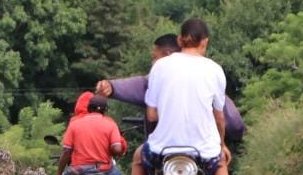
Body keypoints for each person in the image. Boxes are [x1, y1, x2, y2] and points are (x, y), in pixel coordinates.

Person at [130, 18, 231, 175]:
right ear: (205, 42)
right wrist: (222, 144)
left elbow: (151, 113)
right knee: (220, 165)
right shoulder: (215, 69)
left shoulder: (161, 67)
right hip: (203, 151)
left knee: (136, 160)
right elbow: (219, 117)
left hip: (163, 149)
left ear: (179, 40)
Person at [95, 33, 245, 142]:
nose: (153, 63)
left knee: (139, 161)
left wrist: (111, 87)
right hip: (202, 148)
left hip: (164, 147)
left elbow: (139, 86)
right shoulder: (205, 78)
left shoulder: (156, 81)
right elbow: (233, 121)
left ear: (167, 55)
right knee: (220, 168)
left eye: (154, 57)